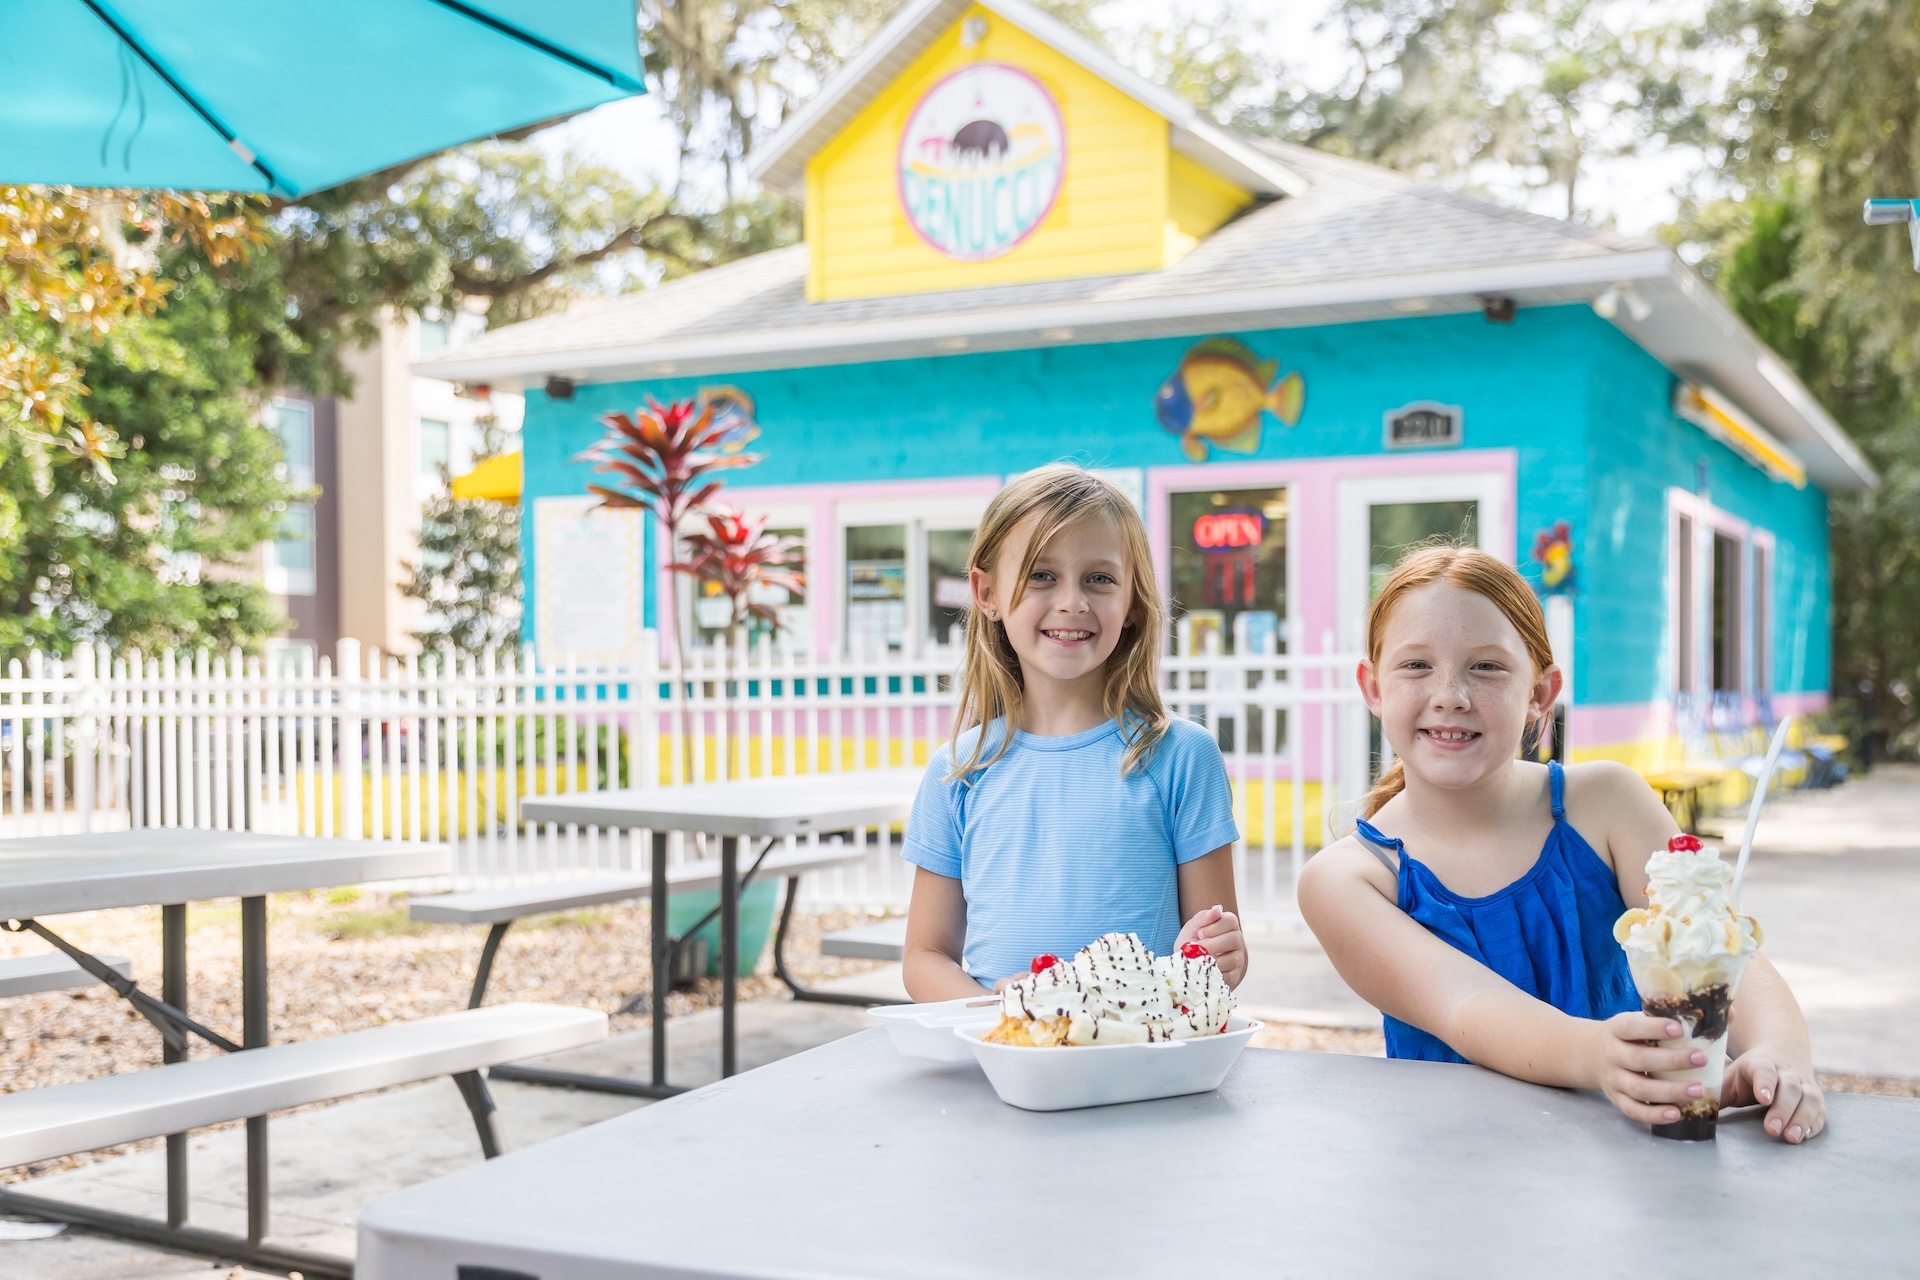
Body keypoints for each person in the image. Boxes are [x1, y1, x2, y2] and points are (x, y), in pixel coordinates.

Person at [1298, 544, 1825, 1143]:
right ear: (1372, 686)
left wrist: (1781, 1054)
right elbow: (1466, 1007)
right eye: (1416, 665)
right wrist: (1597, 1053)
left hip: (1631, 1168)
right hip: (1452, 1171)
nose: (1451, 694)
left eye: (1487, 666)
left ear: (1540, 693)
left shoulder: (1608, 803)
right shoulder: (1347, 881)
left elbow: (1723, 949)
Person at [900, 464, 1247, 999]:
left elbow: (1209, 960)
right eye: (1042, 575)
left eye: (1100, 579)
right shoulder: (958, 771)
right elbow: (925, 957)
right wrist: (1004, 1011)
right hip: (1003, 1064)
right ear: (985, 592)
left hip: (1141, 1066)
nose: (1073, 602)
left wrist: (1218, 954)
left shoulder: (1182, 757)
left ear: (1132, 601)